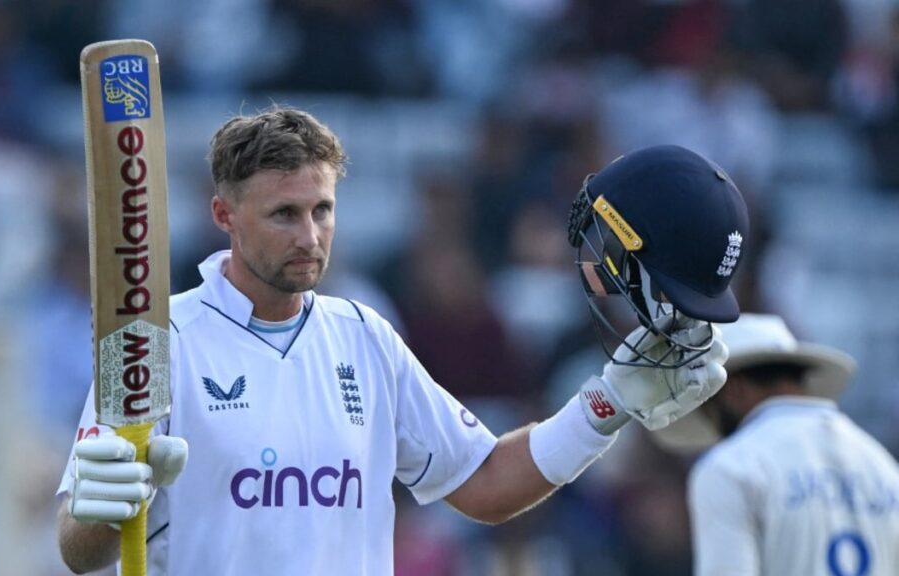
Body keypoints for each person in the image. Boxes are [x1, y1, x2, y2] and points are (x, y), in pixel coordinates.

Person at [55, 107, 750, 575]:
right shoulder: (153, 341)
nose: (310, 236)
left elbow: (480, 484)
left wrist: (608, 404)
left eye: (323, 210)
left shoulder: (365, 338)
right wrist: (97, 506)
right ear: (224, 216)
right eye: (284, 214)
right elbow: (77, 551)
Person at [653, 313, 899, 576]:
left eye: (709, 408)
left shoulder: (731, 468)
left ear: (733, 389)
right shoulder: (883, 465)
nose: (713, 426)